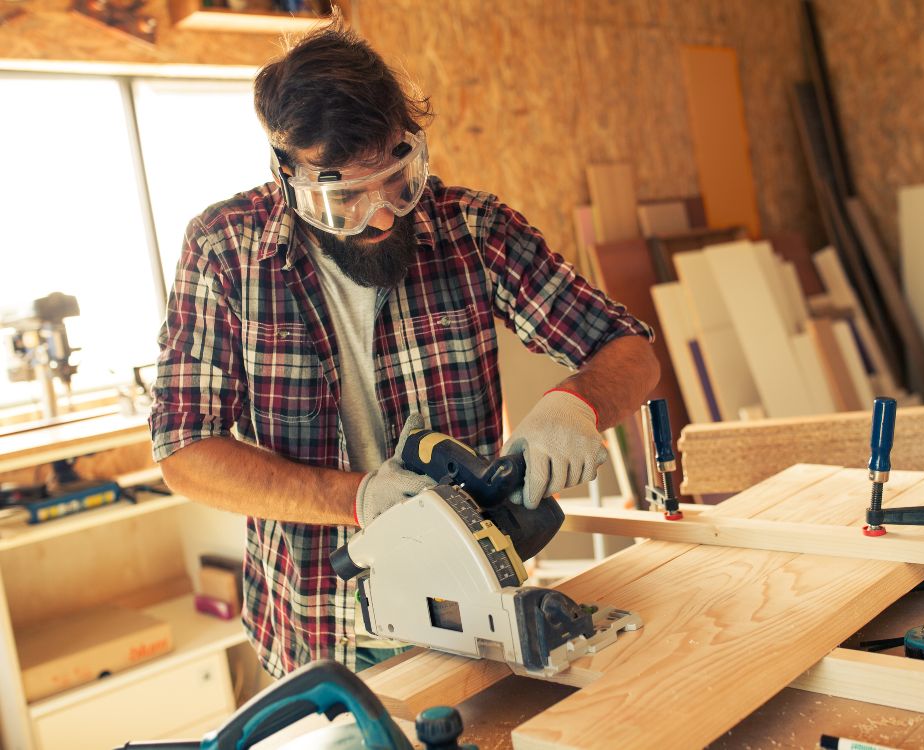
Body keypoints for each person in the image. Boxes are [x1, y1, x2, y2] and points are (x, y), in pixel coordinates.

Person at [149, 23, 660, 679]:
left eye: (396, 179)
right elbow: (185, 454)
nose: (384, 215)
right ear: (289, 174)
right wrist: (359, 498)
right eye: (347, 197)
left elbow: (631, 350)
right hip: (315, 629)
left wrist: (573, 406)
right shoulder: (226, 251)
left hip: (470, 612)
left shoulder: (470, 227)